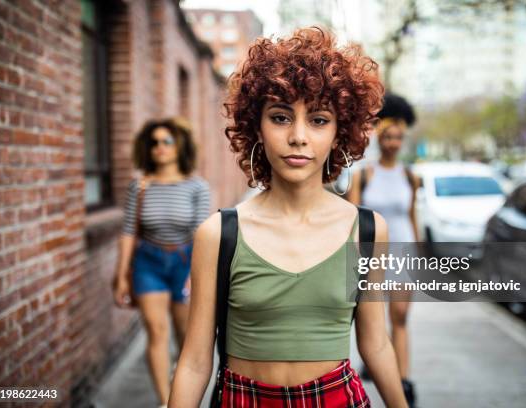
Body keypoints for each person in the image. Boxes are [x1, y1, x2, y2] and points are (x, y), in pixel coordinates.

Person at [169, 27, 409, 407]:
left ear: (339, 132)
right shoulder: (219, 233)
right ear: (257, 128)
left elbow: (376, 343)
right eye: (281, 118)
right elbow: (196, 361)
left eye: (318, 120)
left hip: (337, 399)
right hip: (243, 399)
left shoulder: (366, 230)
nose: (298, 136)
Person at [112, 117, 211, 408]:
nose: (160, 147)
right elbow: (129, 231)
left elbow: (202, 232)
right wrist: (120, 276)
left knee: (185, 335)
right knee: (156, 332)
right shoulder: (139, 185)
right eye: (154, 142)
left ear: (180, 145)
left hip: (184, 261)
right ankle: (166, 402)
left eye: (166, 141)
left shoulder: (197, 186)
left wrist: (197, 272)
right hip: (148, 263)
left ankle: (185, 394)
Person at [347, 93, 420, 407]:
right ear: (380, 136)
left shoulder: (410, 177)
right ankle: (376, 365)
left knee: (400, 317)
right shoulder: (364, 175)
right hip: (372, 254)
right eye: (388, 136)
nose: (393, 142)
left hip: (403, 253)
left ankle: (402, 383)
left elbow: (414, 215)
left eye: (398, 137)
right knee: (371, 322)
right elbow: (351, 219)